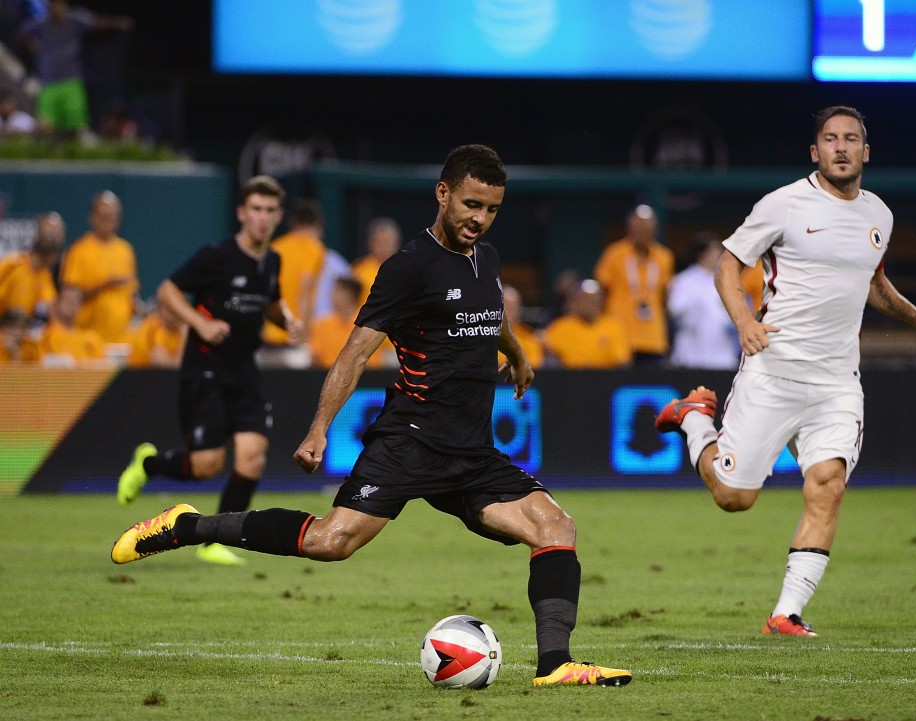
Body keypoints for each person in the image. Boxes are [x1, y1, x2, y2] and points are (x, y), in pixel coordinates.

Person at [112, 145, 631, 687]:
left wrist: (518, 356)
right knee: (329, 542)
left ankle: (556, 665)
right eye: (472, 204)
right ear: (444, 193)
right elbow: (354, 355)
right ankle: (188, 525)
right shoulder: (407, 268)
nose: (480, 219)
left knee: (556, 526)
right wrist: (318, 429)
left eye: (492, 209)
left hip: (471, 453)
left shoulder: (489, 260)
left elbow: (491, 315)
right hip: (409, 442)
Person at [655, 106, 916, 636]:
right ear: (815, 152)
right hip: (774, 371)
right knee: (733, 498)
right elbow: (728, 265)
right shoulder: (784, 204)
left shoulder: (878, 216)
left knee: (828, 483)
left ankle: (786, 613)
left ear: (866, 151)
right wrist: (744, 319)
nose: (841, 147)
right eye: (831, 139)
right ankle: (693, 417)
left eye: (852, 139)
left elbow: (873, 282)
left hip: (837, 380)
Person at [115, 175, 301, 566]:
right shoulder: (216, 256)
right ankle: (148, 463)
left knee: (252, 456)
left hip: (244, 370)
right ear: (241, 213)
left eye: (270, 211)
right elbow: (167, 290)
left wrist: (288, 323)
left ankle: (215, 541)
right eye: (256, 209)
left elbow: (271, 304)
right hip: (205, 370)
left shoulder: (273, 260)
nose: (263, 218)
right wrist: (200, 325)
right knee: (206, 466)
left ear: (279, 215)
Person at [17, 0, 133, 137]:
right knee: (44, 126)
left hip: (71, 83)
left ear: (65, 6)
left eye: (58, 5)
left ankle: (69, 155)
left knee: (74, 127)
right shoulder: (41, 23)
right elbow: (22, 33)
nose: (55, 9)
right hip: (49, 84)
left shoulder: (75, 19)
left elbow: (97, 22)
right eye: (52, 5)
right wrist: (36, 48)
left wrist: (118, 22)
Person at [593, 204, 674, 366]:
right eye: (637, 227)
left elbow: (665, 295)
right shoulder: (614, 254)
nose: (641, 232)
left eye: (646, 228)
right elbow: (602, 290)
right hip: (621, 334)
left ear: (654, 230)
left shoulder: (664, 257)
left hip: (653, 336)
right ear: (629, 228)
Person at [59, 191, 139, 344]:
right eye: (103, 216)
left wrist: (140, 309)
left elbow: (132, 293)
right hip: (87, 337)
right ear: (92, 217)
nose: (108, 221)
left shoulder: (126, 250)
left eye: (112, 217)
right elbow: (69, 298)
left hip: (121, 338)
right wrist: (105, 285)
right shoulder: (79, 250)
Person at [258, 198, 327, 368]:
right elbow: (305, 294)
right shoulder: (314, 249)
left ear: (293, 222)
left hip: (267, 334)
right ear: (317, 223)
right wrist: (304, 336)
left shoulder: (274, 246)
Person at [666, 232, 740, 370]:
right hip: (692, 355)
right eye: (715, 253)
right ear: (703, 256)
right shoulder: (684, 281)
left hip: (722, 355)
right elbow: (675, 310)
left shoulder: (727, 281)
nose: (719, 257)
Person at [308, 276, 395, 370]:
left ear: (349, 295)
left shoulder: (371, 323)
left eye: (337, 291)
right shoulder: (323, 324)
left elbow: (390, 351)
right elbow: (315, 356)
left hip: (368, 376)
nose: (331, 295)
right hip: (328, 375)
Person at [543, 279, 631, 369]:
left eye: (593, 300)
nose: (588, 304)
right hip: (569, 379)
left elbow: (622, 362)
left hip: (605, 379)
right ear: (575, 301)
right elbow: (549, 356)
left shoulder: (614, 327)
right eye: (584, 299)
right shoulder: (560, 327)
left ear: (601, 302)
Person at [0, 212, 65, 324]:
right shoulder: (13, 265)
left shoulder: (46, 277)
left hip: (24, 335)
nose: (52, 237)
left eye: (56, 235)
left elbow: (50, 309)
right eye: (49, 233)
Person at [22, 285, 106, 365]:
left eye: (76, 301)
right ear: (56, 304)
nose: (71, 304)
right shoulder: (43, 336)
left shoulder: (91, 339)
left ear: (80, 307)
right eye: (67, 300)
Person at [350, 216, 401, 308]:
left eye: (387, 243)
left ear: (396, 244)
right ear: (370, 243)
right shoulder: (358, 270)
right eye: (379, 242)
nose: (383, 248)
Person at [126, 301, 185, 369]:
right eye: (171, 308)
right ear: (161, 309)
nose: (176, 312)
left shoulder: (177, 330)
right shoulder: (156, 325)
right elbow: (163, 364)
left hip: (142, 373)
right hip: (125, 368)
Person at [499, 284, 543, 369]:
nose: (511, 309)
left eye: (514, 305)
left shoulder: (529, 337)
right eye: (506, 305)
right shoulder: (487, 335)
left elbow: (535, 364)